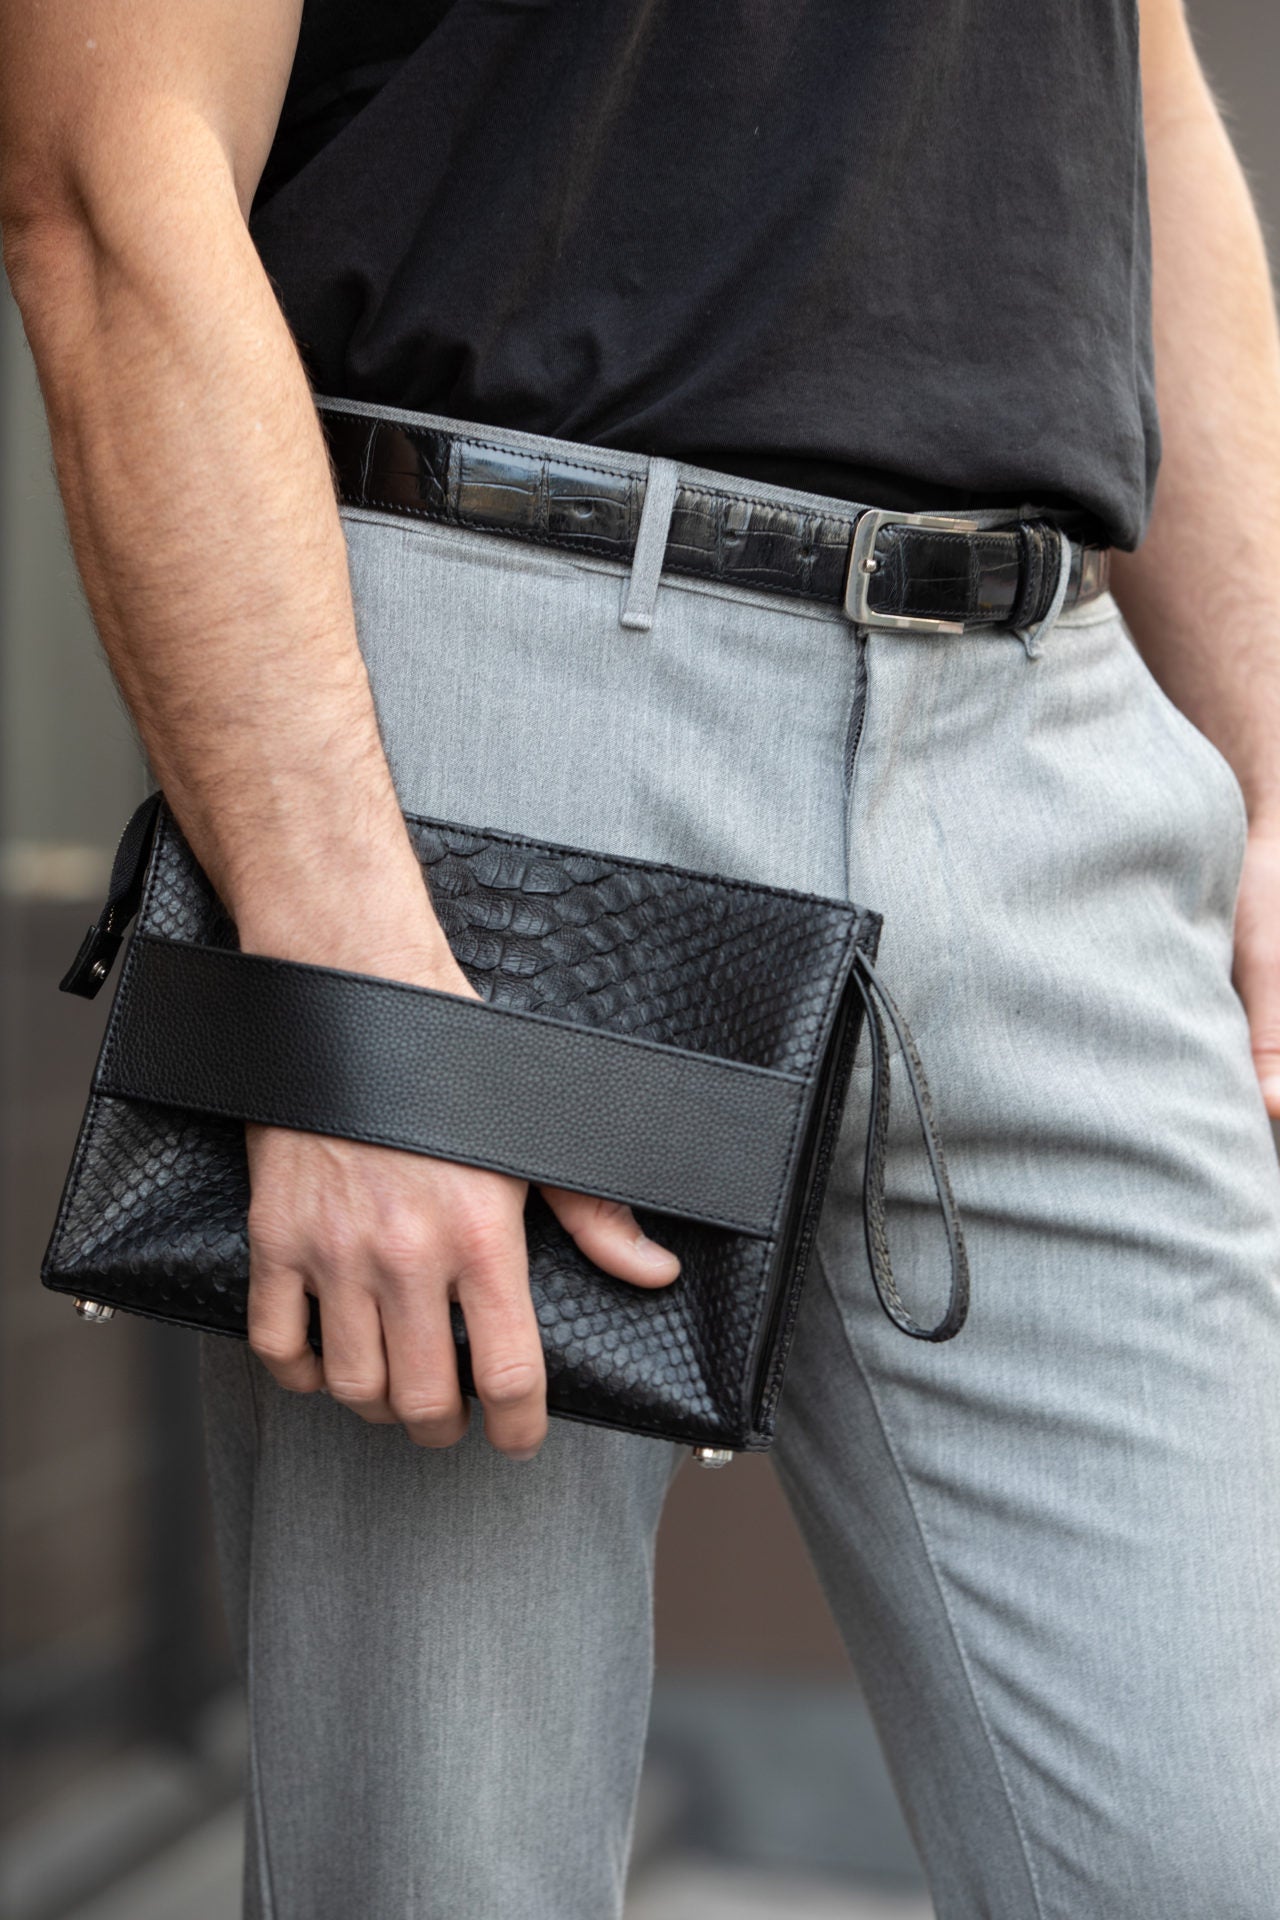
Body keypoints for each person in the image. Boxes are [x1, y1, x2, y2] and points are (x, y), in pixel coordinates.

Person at [3, 1, 1279, 1914]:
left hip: (1054, 735)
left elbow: (1147, 86)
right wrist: (349, 978)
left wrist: (1267, 768)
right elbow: (110, 181)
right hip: (491, 753)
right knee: (448, 1870)